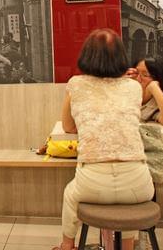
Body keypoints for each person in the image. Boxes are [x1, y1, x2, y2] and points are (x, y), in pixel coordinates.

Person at [54, 29, 154, 250]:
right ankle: (126, 247)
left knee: (70, 195)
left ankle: (67, 245)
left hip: (92, 183)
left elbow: (68, 126)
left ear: (87, 55)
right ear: (121, 56)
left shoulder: (76, 84)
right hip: (139, 184)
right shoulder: (133, 86)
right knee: (127, 205)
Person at [127, 58, 163, 127]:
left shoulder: (155, 105)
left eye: (145, 75)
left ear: (158, 79)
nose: (138, 79)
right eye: (136, 73)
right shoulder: (126, 91)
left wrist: (153, 87)